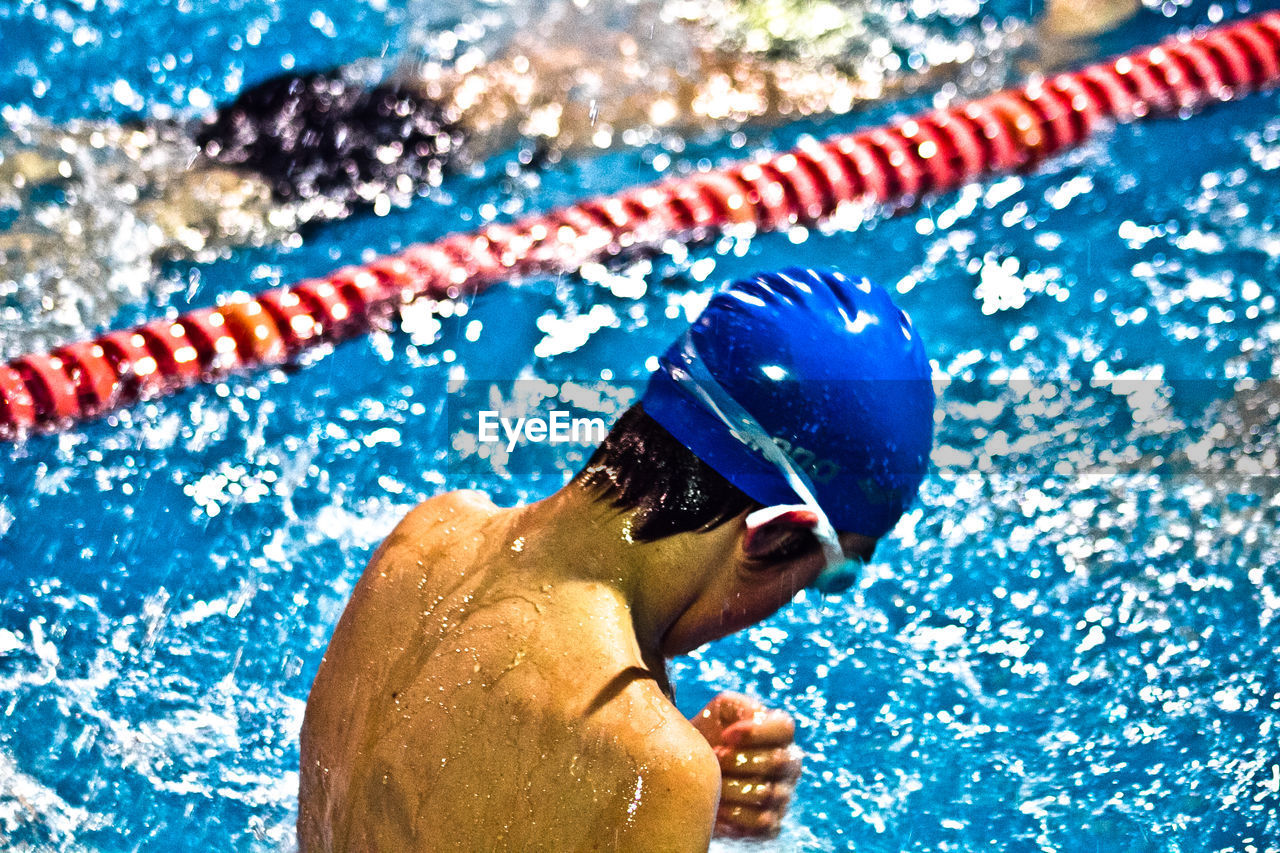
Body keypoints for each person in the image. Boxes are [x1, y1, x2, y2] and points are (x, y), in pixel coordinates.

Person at [1, 0, 1138, 360]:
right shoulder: (808, 69)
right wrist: (1045, 50)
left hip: (390, 88)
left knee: (125, 152)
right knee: (121, 247)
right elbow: (1009, 78)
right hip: (426, 139)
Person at [297, 266, 937, 849]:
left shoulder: (428, 536)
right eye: (832, 575)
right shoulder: (649, 766)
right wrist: (665, 788)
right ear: (774, 535)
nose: (791, 605)